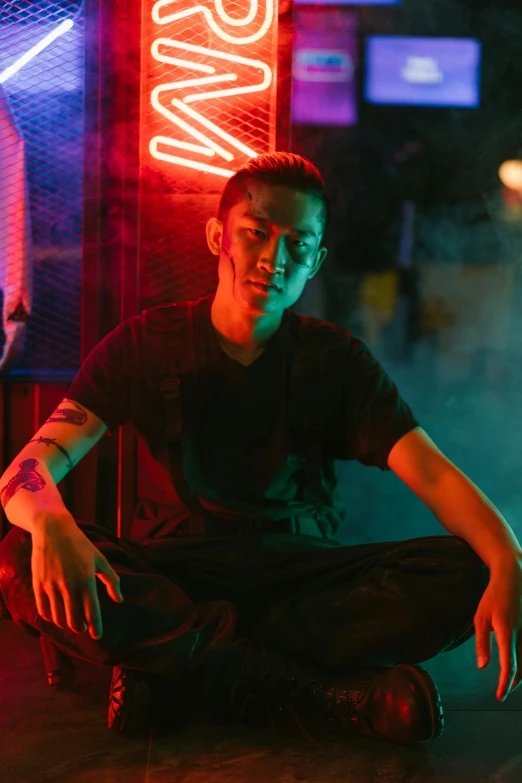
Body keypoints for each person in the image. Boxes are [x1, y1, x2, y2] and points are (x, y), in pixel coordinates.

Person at [0, 152, 521, 747]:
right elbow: (27, 470)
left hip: (301, 584)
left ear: (316, 262)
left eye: (298, 245)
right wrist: (52, 523)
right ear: (218, 236)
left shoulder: (336, 361)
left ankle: (174, 669)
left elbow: (429, 473)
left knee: (468, 569)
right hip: (178, 574)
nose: (275, 259)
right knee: (18, 557)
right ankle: (335, 698)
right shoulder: (147, 343)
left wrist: (509, 558)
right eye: (257, 233)